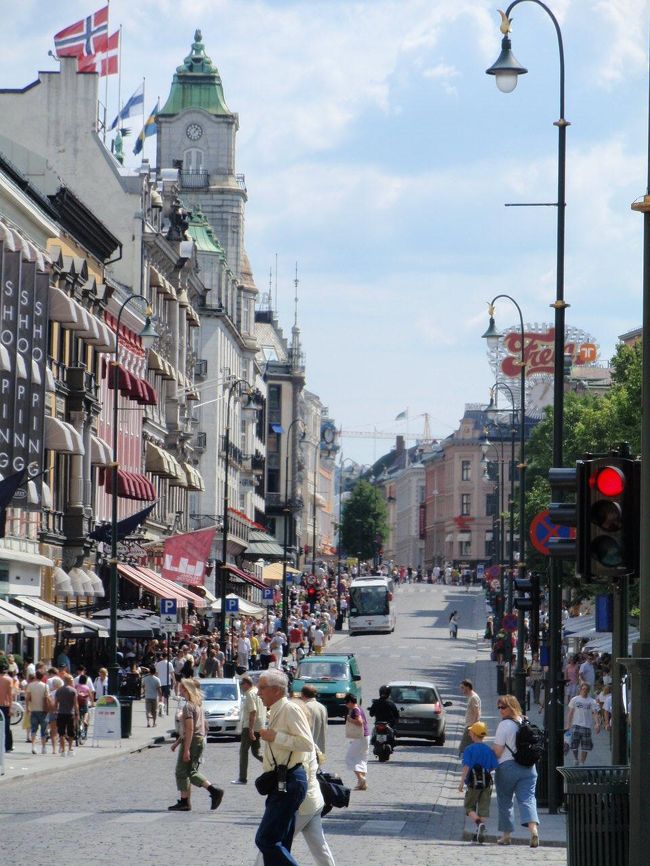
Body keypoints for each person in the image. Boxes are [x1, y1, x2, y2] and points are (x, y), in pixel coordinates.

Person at [255, 668, 311, 866]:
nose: (258, 692)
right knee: (280, 842)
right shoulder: (275, 711)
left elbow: (307, 743)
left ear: (277, 690)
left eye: (262, 688)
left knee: (266, 839)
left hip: (290, 779)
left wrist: (276, 737)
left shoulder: (290, 709)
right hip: (281, 780)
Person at [168, 677, 224, 811]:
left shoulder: (188, 706)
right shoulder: (198, 703)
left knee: (185, 772)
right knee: (188, 771)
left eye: (181, 688)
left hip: (192, 741)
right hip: (197, 740)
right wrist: (177, 742)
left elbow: (190, 729)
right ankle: (185, 801)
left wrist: (186, 749)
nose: (180, 691)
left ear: (186, 690)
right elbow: (202, 726)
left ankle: (213, 791)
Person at [491, 694, 540, 848]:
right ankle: (534, 831)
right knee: (528, 799)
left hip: (508, 767)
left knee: (505, 801)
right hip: (529, 768)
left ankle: (506, 836)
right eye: (498, 707)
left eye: (503, 707)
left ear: (511, 707)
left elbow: (498, 752)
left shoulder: (504, 725)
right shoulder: (524, 721)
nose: (500, 710)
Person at [457, 721, 499, 844]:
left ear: (474, 734)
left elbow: (466, 767)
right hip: (486, 783)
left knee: (469, 806)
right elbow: (494, 766)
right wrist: (485, 771)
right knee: (483, 808)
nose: (469, 733)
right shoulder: (488, 750)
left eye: (470, 731)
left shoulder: (469, 749)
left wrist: (461, 782)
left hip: (473, 783)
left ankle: (479, 824)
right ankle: (478, 832)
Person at [232, 674, 264, 784]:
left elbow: (253, 712)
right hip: (259, 726)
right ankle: (275, 766)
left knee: (243, 751)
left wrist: (250, 730)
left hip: (250, 726)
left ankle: (242, 778)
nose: (241, 687)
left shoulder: (250, 694)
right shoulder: (257, 692)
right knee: (257, 752)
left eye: (241, 684)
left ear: (246, 684)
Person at [566, 682, 601, 766]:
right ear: (580, 689)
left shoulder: (592, 701)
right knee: (574, 744)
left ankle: (582, 762)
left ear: (588, 691)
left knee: (585, 746)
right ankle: (575, 759)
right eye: (583, 689)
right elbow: (570, 713)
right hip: (576, 724)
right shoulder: (575, 699)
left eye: (586, 689)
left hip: (586, 726)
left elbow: (595, 713)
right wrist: (568, 725)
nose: (584, 691)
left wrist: (597, 724)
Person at [344, 692, 370, 791]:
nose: (346, 705)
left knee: (350, 758)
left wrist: (350, 720)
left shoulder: (355, 710)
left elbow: (359, 722)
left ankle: (361, 778)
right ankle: (361, 783)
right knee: (362, 758)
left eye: (346, 703)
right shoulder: (359, 708)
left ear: (350, 702)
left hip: (360, 737)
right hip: (366, 737)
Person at [297, 684, 329, 753]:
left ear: (302, 694)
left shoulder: (305, 707)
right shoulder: (322, 707)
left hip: (308, 748)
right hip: (320, 747)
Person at [368, 685, 399, 752]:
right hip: (389, 724)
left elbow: (371, 714)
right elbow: (396, 715)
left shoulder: (376, 703)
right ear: (389, 693)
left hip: (378, 723)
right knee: (394, 731)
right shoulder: (391, 703)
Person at [25, 669, 49, 755]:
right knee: (43, 730)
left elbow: (27, 698)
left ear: (35, 676)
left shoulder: (30, 685)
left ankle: (33, 746)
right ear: (43, 677)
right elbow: (47, 698)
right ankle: (43, 747)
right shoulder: (45, 686)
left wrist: (27, 708)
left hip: (33, 709)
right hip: (43, 710)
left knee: (33, 729)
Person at [55, 673, 79, 757]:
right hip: (70, 713)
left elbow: (56, 703)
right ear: (69, 681)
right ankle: (70, 749)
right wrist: (77, 714)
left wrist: (55, 711)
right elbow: (76, 704)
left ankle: (63, 750)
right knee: (71, 732)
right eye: (72, 680)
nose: (73, 681)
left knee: (61, 732)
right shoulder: (73, 690)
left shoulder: (59, 690)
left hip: (61, 713)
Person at [458, 680, 481, 756]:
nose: (462, 690)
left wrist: (472, 727)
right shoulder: (473, 697)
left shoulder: (473, 698)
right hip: (470, 725)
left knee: (463, 748)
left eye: (462, 688)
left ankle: (468, 764)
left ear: (467, 687)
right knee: (470, 747)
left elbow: (477, 712)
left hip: (470, 726)